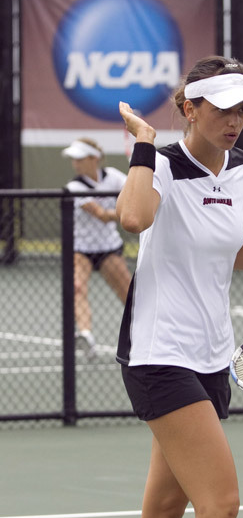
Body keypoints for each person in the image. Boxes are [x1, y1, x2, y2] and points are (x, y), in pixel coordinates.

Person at [115, 55, 243, 518]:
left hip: (211, 352)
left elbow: (226, 248)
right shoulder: (159, 164)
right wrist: (144, 144)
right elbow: (134, 219)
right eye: (224, 109)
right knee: (220, 506)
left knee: (165, 509)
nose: (235, 120)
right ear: (191, 110)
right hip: (160, 353)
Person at [62, 138, 132, 356]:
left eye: (80, 159)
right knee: (78, 287)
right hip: (81, 248)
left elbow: (135, 193)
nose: (75, 163)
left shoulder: (113, 176)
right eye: (73, 159)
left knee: (128, 293)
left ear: (94, 159)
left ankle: (142, 335)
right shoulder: (74, 186)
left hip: (108, 247)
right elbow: (102, 215)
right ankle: (86, 335)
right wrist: (128, 213)